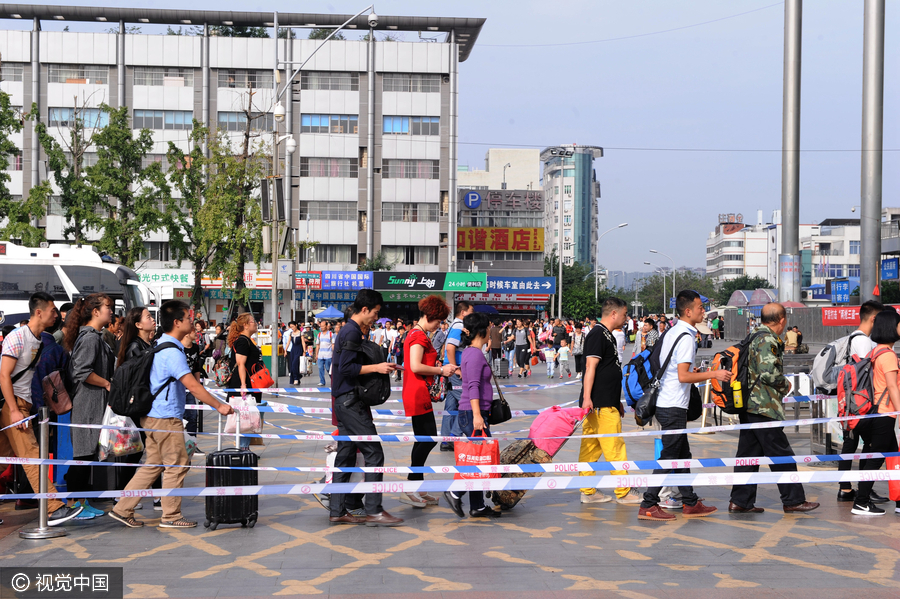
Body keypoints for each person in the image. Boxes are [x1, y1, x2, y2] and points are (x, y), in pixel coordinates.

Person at [109, 300, 234, 529]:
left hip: (153, 416)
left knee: (153, 465)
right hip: (166, 418)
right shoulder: (172, 352)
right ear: (177, 322)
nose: (192, 323)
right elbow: (193, 386)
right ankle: (171, 516)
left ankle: (122, 508)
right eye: (188, 318)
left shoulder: (162, 345)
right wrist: (220, 406)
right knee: (177, 464)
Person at [638, 291, 731, 521]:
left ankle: (690, 502)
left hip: (667, 402)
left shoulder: (673, 331)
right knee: (670, 456)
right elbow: (682, 376)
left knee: (682, 455)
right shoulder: (687, 336)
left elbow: (673, 370)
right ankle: (648, 504)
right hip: (673, 406)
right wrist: (714, 373)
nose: (703, 311)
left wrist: (693, 373)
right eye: (700, 307)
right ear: (688, 311)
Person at [0, 292, 84, 526]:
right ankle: (54, 508)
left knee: (4, 462)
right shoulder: (18, 337)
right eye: (53, 311)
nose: (56, 315)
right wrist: (14, 410)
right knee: (33, 457)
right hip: (14, 405)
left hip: (23, 406)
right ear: (39, 312)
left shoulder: (39, 339)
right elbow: (4, 375)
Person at [728, 303, 820, 515]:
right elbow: (769, 373)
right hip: (763, 406)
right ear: (782, 320)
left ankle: (740, 501)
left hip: (750, 405)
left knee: (748, 456)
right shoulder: (767, 339)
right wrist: (785, 385)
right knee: (781, 454)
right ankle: (793, 500)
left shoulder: (753, 335)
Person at [328, 289, 403, 526]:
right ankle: (374, 510)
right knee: (374, 452)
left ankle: (337, 510)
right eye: (375, 313)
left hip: (344, 401)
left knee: (346, 456)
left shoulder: (349, 330)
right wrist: (377, 368)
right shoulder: (351, 331)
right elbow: (346, 369)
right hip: (350, 402)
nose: (376, 318)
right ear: (364, 310)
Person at [578, 297, 643, 505]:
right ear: (613, 313)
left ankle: (587, 491)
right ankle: (624, 491)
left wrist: (617, 400)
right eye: (624, 314)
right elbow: (590, 367)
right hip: (599, 404)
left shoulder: (607, 335)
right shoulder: (598, 334)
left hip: (605, 401)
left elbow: (607, 370)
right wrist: (588, 398)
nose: (626, 319)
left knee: (592, 446)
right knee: (614, 446)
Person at [64, 293, 116, 520]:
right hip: (87, 405)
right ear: (95, 311)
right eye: (108, 307)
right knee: (83, 457)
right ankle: (75, 504)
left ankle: (81, 502)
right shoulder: (90, 338)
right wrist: (106, 383)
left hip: (93, 405)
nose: (111, 311)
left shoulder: (95, 336)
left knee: (87, 457)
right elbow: (82, 372)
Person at [400, 295, 455, 508]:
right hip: (417, 392)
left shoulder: (419, 334)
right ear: (430, 316)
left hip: (418, 391)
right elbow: (415, 366)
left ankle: (416, 488)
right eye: (438, 320)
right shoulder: (418, 336)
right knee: (427, 439)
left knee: (424, 439)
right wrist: (442, 370)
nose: (439, 325)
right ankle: (411, 487)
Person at [444, 312, 498, 519]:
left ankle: (478, 506)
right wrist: (477, 415)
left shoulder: (471, 351)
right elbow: (473, 386)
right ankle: (455, 492)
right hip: (473, 412)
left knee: (478, 459)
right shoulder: (474, 355)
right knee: (482, 460)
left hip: (474, 410)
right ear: (482, 331)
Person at [848, 308, 900, 515]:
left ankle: (898, 502)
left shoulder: (875, 351)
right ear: (891, 327)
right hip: (884, 414)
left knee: (892, 456)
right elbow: (892, 386)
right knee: (876, 458)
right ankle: (861, 502)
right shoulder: (887, 355)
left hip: (875, 412)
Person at [838, 300, 889, 503]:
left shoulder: (854, 337)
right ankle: (859, 490)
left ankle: (849, 489)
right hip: (861, 403)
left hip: (852, 402)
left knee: (851, 445)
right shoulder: (864, 342)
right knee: (869, 446)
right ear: (874, 319)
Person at [226, 313, 265, 449]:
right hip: (244, 385)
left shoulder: (248, 340)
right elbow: (240, 363)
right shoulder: (242, 341)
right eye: (253, 321)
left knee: (250, 417)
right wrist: (243, 385)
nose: (256, 324)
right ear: (246, 325)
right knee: (244, 417)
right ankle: (242, 449)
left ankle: (245, 448)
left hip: (251, 385)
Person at [440, 301, 473, 453]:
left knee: (451, 406)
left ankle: (446, 440)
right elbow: (450, 347)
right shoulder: (459, 326)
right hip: (456, 370)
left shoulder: (456, 326)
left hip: (451, 369)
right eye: (471, 312)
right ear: (463, 312)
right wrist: (456, 369)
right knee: (467, 405)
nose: (472, 315)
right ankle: (454, 436)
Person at [316, 321, 335, 388]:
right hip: (321, 355)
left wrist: (333, 353)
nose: (322, 327)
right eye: (321, 326)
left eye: (323, 326)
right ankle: (322, 381)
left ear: (327, 326)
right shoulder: (319, 335)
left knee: (328, 369)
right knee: (320, 368)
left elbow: (333, 344)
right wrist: (316, 354)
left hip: (328, 355)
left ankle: (333, 381)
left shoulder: (330, 334)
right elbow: (317, 345)